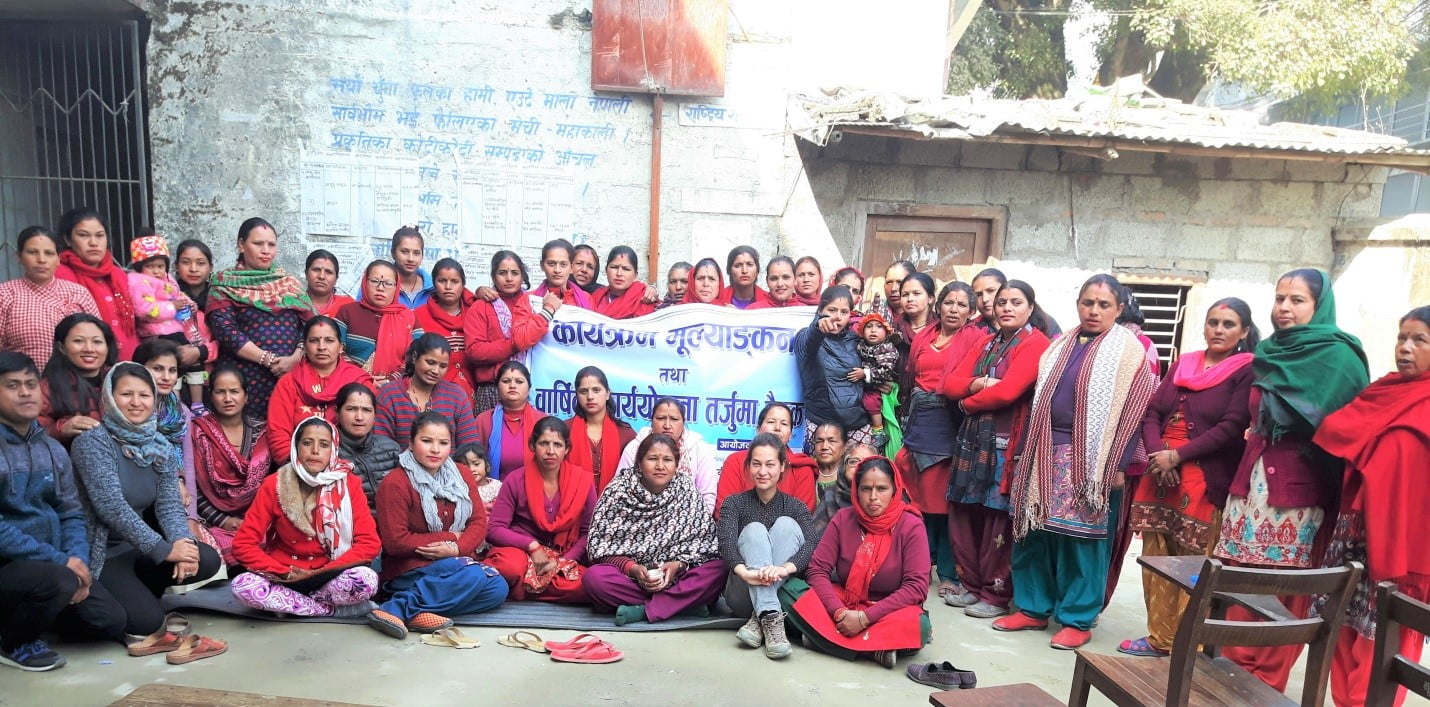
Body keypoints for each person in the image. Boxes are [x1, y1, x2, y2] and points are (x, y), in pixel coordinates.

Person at [1214, 268, 1369, 690]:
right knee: (1238, 579)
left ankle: (1263, 684)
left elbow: (1346, 429)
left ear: (1318, 306)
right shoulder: (1267, 351)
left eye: (1297, 300)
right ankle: (1227, 678)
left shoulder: (1338, 358)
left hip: (1298, 494)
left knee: (1284, 587)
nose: (1284, 307)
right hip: (1249, 487)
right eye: (1280, 298)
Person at [994, 274, 1157, 650]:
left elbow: (1137, 409)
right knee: (1032, 529)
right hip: (1044, 449)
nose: (1094, 310)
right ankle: (1033, 608)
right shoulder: (1060, 343)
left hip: (1092, 460)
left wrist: (1117, 464)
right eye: (1088, 302)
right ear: (1078, 304)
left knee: (1081, 538)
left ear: (1119, 309)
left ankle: (1077, 618)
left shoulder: (1130, 350)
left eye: (1103, 305)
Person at [1115, 297, 1257, 656]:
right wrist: (1157, 455)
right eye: (1213, 322)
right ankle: (1159, 637)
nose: (1219, 330)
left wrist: (1178, 456)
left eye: (1228, 324)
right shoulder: (1185, 364)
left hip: (1202, 476)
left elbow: (1231, 426)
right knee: (1156, 555)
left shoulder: (1245, 369)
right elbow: (1152, 412)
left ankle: (1187, 644)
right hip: (1159, 470)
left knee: (1193, 561)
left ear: (1243, 332)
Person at [70, 363, 225, 662]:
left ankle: (141, 595)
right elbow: (110, 507)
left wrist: (183, 545)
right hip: (104, 553)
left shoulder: (160, 445)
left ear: (155, 399)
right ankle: (131, 602)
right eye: (126, 394)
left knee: (205, 559)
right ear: (109, 398)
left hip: (136, 548)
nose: (136, 402)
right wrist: (164, 550)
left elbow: (168, 504)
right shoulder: (92, 444)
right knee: (145, 624)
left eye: (144, 394)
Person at [1316, 306, 1430, 707]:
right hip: (1357, 537)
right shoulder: (1384, 390)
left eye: (1419, 340)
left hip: (1406, 551)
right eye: (1402, 337)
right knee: (1344, 638)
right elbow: (1339, 429)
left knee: (1384, 649)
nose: (1405, 348)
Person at [0, 351, 125, 672]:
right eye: (13, 385)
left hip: (51, 568)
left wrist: (78, 561)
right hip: (12, 565)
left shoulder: (52, 449)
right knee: (55, 581)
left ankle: (35, 616)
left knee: (108, 621)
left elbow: (71, 512)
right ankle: (13, 641)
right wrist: (61, 564)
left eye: (30, 384)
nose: (26, 392)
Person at [943, 280, 1052, 619]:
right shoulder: (988, 342)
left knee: (997, 517)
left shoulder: (1036, 344)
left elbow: (1009, 392)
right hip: (973, 441)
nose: (1006, 307)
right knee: (965, 511)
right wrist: (977, 385)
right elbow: (949, 383)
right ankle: (971, 584)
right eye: (1001, 301)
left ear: (1030, 308)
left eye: (1015, 302)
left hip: (1008, 444)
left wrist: (967, 403)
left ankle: (994, 593)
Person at [783, 456, 931, 669]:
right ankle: (874, 651)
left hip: (887, 608)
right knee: (788, 592)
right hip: (844, 602)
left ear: (894, 489)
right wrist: (839, 612)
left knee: (920, 626)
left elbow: (916, 587)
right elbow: (817, 570)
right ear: (856, 490)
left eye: (881, 489)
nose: (873, 497)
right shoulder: (844, 518)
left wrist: (865, 618)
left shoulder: (911, 526)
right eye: (865, 489)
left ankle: (820, 640)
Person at [368, 412, 506, 637]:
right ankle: (394, 607)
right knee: (475, 577)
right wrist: (452, 537)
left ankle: (415, 610)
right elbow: (395, 542)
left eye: (443, 443)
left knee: (497, 589)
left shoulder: (461, 474)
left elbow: (479, 522)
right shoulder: (396, 482)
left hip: (454, 561)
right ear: (411, 444)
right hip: (409, 570)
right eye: (427, 441)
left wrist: (458, 548)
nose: (435, 449)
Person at [230, 418, 381, 617]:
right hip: (283, 575)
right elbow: (243, 544)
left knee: (366, 580)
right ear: (296, 446)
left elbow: (369, 543)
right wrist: (283, 572)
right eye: (307, 443)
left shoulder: (348, 484)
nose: (315, 451)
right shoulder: (273, 484)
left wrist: (323, 572)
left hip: (329, 576)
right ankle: (326, 610)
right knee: (243, 586)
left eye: (324, 444)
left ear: (334, 450)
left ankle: (291, 606)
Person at [895, 280, 984, 604]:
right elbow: (913, 376)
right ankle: (920, 565)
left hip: (949, 422)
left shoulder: (976, 338)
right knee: (916, 498)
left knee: (944, 504)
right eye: (949, 302)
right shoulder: (926, 335)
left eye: (962, 305)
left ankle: (948, 572)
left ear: (971, 311)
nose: (954, 309)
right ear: (939, 304)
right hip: (919, 419)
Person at [584, 433, 727, 625]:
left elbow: (705, 547)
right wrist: (633, 569)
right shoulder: (618, 490)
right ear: (639, 463)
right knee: (594, 579)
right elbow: (600, 550)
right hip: (633, 579)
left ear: (676, 465)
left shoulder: (685, 489)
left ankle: (643, 611)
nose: (660, 466)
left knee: (719, 569)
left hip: (677, 577)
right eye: (652, 459)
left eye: (667, 460)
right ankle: (683, 605)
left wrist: (678, 566)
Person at [718, 433, 819, 659]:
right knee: (754, 529)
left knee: (786, 525)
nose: (763, 472)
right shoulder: (733, 504)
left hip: (779, 588)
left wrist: (785, 569)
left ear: (782, 466)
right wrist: (745, 572)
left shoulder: (796, 507)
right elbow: (725, 544)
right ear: (748, 466)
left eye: (770, 464)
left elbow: (811, 543)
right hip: (742, 590)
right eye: (756, 464)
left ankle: (763, 617)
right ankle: (767, 614)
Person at [206, 217, 311, 417]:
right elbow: (226, 332)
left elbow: (309, 328)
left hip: (289, 376)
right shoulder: (224, 283)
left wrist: (295, 357)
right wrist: (267, 360)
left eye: (271, 244)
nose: (266, 250)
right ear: (241, 245)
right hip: (243, 381)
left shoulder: (289, 284)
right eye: (258, 243)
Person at [486, 416, 596, 603]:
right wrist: (531, 546)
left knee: (589, 584)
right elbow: (494, 529)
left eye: (557, 445)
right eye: (544, 443)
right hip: (521, 553)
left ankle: (523, 587)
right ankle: (536, 585)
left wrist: (561, 561)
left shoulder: (583, 482)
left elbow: (589, 533)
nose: (550, 451)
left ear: (567, 449)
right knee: (509, 568)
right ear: (532, 445)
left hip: (562, 555)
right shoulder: (515, 479)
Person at [191, 363, 270, 567]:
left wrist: (254, 518)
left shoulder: (262, 432)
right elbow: (193, 489)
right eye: (220, 392)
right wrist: (222, 519)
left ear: (245, 396)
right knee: (215, 550)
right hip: (213, 521)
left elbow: (270, 484)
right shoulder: (198, 432)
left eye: (234, 391)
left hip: (256, 517)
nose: (228, 399)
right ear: (211, 395)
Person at [266, 316, 374, 462]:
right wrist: (298, 469)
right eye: (314, 340)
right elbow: (277, 433)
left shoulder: (359, 381)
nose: (321, 347)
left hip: (354, 464)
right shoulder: (289, 383)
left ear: (341, 347)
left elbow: (373, 428)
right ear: (304, 347)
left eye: (329, 340)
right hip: (301, 465)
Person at [464, 250, 557, 414]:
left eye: (514, 273)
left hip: (529, 388)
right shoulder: (481, 307)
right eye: (502, 273)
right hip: (492, 389)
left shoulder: (533, 304)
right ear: (493, 277)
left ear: (522, 277)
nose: (509, 278)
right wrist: (515, 345)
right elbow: (474, 351)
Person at [0, 226, 99, 372]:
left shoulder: (78, 293)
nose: (41, 260)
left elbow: (100, 341)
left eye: (49, 253)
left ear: (58, 259)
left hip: (75, 386)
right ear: (19, 257)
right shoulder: (5, 294)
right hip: (24, 385)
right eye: (32, 252)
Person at [54, 208, 140, 360]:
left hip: (130, 361)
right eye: (83, 235)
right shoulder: (60, 273)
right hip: (88, 364)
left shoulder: (118, 274)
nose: (93, 243)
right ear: (68, 239)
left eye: (100, 235)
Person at [794, 286, 874, 452]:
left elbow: (875, 368)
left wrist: (871, 377)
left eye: (844, 312)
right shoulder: (805, 336)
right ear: (820, 310)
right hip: (821, 424)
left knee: (858, 475)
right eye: (831, 310)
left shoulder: (856, 340)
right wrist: (818, 326)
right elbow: (810, 341)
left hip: (856, 424)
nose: (837, 317)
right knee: (822, 476)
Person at [374, 335, 479, 451]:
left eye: (443, 366)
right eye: (430, 362)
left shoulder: (456, 396)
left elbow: (470, 448)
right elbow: (381, 448)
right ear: (414, 357)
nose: (435, 371)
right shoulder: (390, 394)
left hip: (451, 468)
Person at [616, 397, 718, 513]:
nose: (667, 425)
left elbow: (707, 498)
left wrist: (690, 526)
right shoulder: (634, 448)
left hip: (687, 523)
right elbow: (621, 489)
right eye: (661, 418)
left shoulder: (700, 449)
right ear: (651, 421)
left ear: (683, 423)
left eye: (674, 419)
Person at [715, 403, 820, 512]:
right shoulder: (736, 461)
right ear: (758, 429)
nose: (777, 428)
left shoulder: (802, 468)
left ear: (790, 435)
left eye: (784, 424)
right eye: (771, 422)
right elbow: (725, 510)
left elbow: (803, 516)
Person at [334, 260, 420, 387]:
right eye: (374, 281)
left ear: (397, 287)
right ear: (365, 282)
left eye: (388, 283)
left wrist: (390, 381)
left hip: (396, 389)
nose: (380, 288)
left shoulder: (409, 317)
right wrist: (361, 378)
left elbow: (418, 355)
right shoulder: (347, 312)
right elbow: (335, 351)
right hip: (350, 386)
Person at [39, 314, 115, 447]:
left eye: (97, 342)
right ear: (61, 347)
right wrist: (59, 430)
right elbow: (31, 433)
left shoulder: (121, 378)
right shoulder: (46, 388)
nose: (89, 349)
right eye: (78, 341)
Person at [334, 382, 402, 516]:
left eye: (367, 410)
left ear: (375, 415)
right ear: (337, 412)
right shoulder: (328, 453)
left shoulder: (391, 449)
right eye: (351, 409)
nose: (359, 417)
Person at [565, 365, 636, 492]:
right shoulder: (564, 430)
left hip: (615, 507)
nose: (590, 396)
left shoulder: (626, 433)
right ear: (577, 395)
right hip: (570, 506)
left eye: (596, 390)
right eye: (583, 391)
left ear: (608, 394)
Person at [413, 258, 476, 398]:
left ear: (463, 285)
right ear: (434, 283)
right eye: (442, 281)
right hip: (431, 392)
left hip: (472, 391)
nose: (448, 287)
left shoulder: (475, 313)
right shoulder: (418, 315)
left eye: (454, 281)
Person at [474, 361, 546, 481]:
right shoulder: (484, 420)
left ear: (529, 388)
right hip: (494, 493)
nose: (512, 385)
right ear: (497, 387)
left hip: (535, 491)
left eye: (519, 381)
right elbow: (472, 461)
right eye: (506, 381)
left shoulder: (542, 421)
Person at [171, 240, 220, 413]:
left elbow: (227, 340)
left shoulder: (219, 300)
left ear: (210, 267)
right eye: (186, 262)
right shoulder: (170, 299)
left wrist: (203, 352)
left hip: (213, 380)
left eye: (200, 263)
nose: (193, 269)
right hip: (175, 380)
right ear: (176, 266)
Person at [126, 234, 196, 348]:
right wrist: (172, 306)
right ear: (140, 267)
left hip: (174, 329)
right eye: (150, 266)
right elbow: (145, 310)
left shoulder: (167, 278)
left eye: (160, 266)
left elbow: (176, 294)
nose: (156, 271)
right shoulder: (139, 282)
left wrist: (188, 304)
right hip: (155, 333)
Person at [852, 313, 900, 449]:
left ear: (887, 332)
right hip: (866, 385)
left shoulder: (886, 348)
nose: (873, 330)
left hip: (879, 386)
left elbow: (885, 370)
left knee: (870, 401)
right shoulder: (860, 345)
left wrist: (864, 373)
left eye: (879, 326)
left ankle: (879, 431)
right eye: (869, 326)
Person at [593, 245, 656, 319]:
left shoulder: (646, 297)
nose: (619, 273)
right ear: (606, 270)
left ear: (635, 275)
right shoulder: (596, 297)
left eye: (626, 269)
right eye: (614, 267)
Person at [809, 423, 850, 534]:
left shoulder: (850, 475)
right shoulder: (806, 470)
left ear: (845, 446)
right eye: (819, 441)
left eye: (832, 441)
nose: (824, 447)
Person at [532, 238, 592, 309]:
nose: (557, 270)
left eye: (563, 264)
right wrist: (547, 311)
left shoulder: (586, 298)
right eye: (551, 264)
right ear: (542, 266)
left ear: (572, 268)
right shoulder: (529, 298)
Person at [387, 226, 433, 308]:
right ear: (393, 253)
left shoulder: (434, 289)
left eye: (416, 253)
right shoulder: (378, 286)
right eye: (404, 252)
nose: (411, 259)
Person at [304, 249, 355, 319]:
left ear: (336, 278)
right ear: (306, 274)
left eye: (328, 272)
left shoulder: (348, 305)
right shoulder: (292, 303)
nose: (321, 276)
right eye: (316, 270)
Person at [969, 268, 1007, 334]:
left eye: (991, 291)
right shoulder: (970, 331)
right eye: (978, 294)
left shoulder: (1026, 327)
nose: (984, 299)